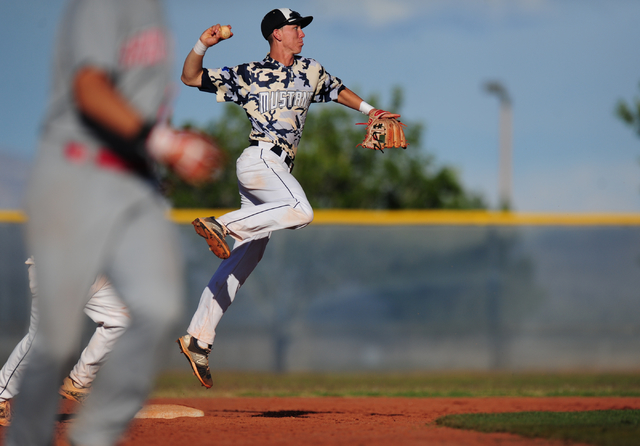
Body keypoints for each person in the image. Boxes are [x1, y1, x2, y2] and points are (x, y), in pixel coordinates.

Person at [5, 0, 221, 444]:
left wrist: (161, 156)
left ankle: (92, 429)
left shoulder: (155, 17)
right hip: (75, 177)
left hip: (126, 193)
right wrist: (164, 142)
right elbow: (88, 86)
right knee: (54, 338)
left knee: (155, 310)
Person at [177, 8, 401, 388]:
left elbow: (337, 89)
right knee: (300, 211)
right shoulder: (248, 74)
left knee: (246, 258)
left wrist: (371, 110)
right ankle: (223, 223)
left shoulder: (310, 71)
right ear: (277, 33)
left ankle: (198, 337)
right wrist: (203, 44)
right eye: (296, 28)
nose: (302, 34)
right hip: (260, 159)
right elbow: (190, 77)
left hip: (276, 172)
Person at [0, 258, 129, 427]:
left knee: (120, 321)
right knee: (41, 338)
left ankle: (79, 380)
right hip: (56, 268)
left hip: (91, 270)